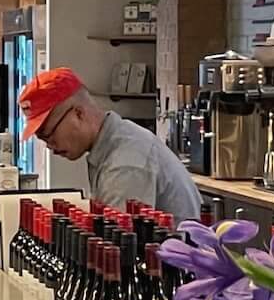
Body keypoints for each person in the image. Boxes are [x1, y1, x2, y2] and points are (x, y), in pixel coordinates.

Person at [19, 65, 201, 222]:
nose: (50, 146)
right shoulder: (110, 145)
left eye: (49, 134)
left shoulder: (125, 164)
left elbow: (120, 249)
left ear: (78, 114)